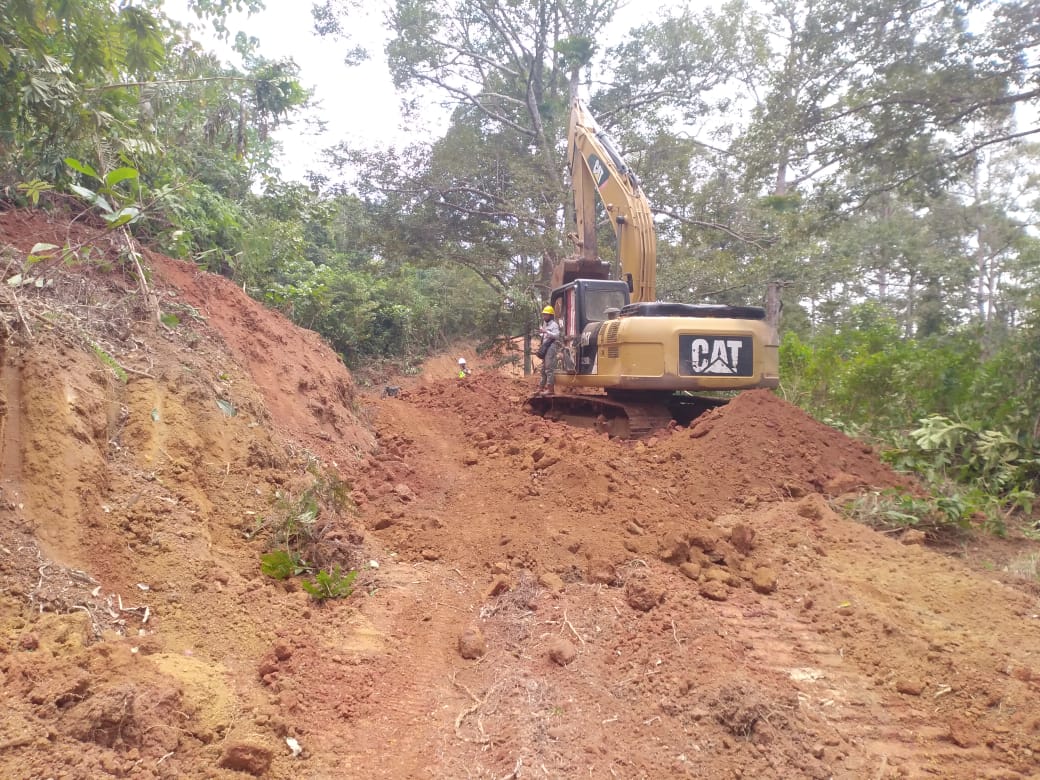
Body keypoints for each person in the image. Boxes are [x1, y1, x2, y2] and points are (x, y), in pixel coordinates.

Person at [536, 304, 559, 395]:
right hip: (546, 347)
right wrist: (541, 333)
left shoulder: (554, 325)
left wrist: (546, 331)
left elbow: (556, 335)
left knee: (549, 368)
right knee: (543, 369)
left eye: (546, 314)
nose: (544, 316)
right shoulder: (545, 324)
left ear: (550, 315)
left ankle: (550, 389)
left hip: (551, 347)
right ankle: (540, 388)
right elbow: (544, 336)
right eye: (544, 314)